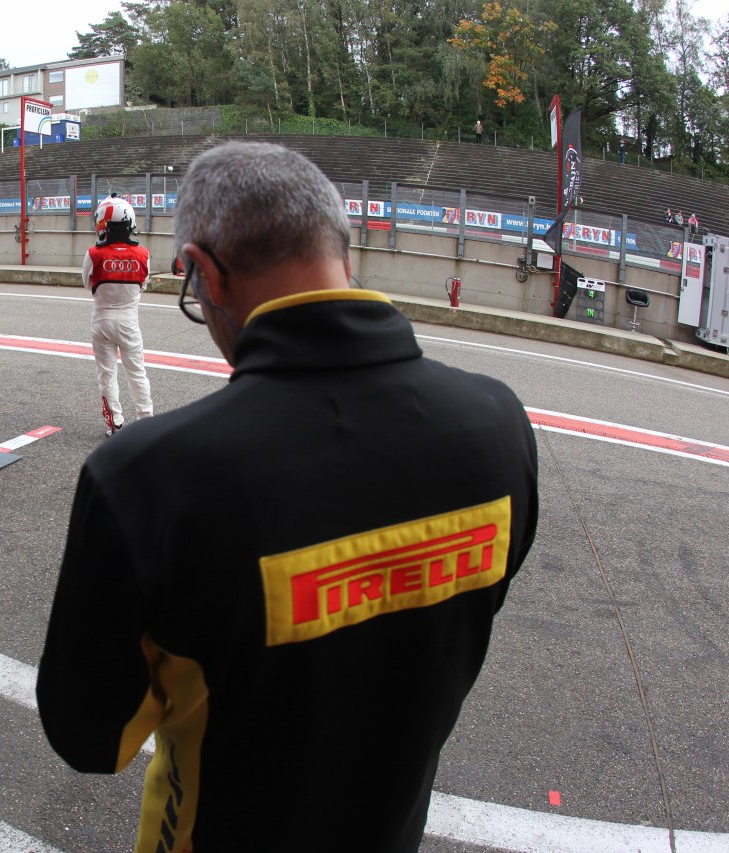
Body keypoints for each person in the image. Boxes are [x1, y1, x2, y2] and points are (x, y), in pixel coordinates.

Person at [36, 141, 540, 853]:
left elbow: (93, 736)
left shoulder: (145, 479)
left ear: (206, 275)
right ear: (343, 251)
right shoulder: (500, 428)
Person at [82, 194, 152, 435]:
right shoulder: (143, 254)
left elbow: (86, 283)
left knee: (107, 375)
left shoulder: (94, 254)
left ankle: (115, 425)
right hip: (129, 322)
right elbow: (143, 284)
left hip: (101, 321)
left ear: (103, 224)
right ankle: (145, 422)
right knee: (137, 373)